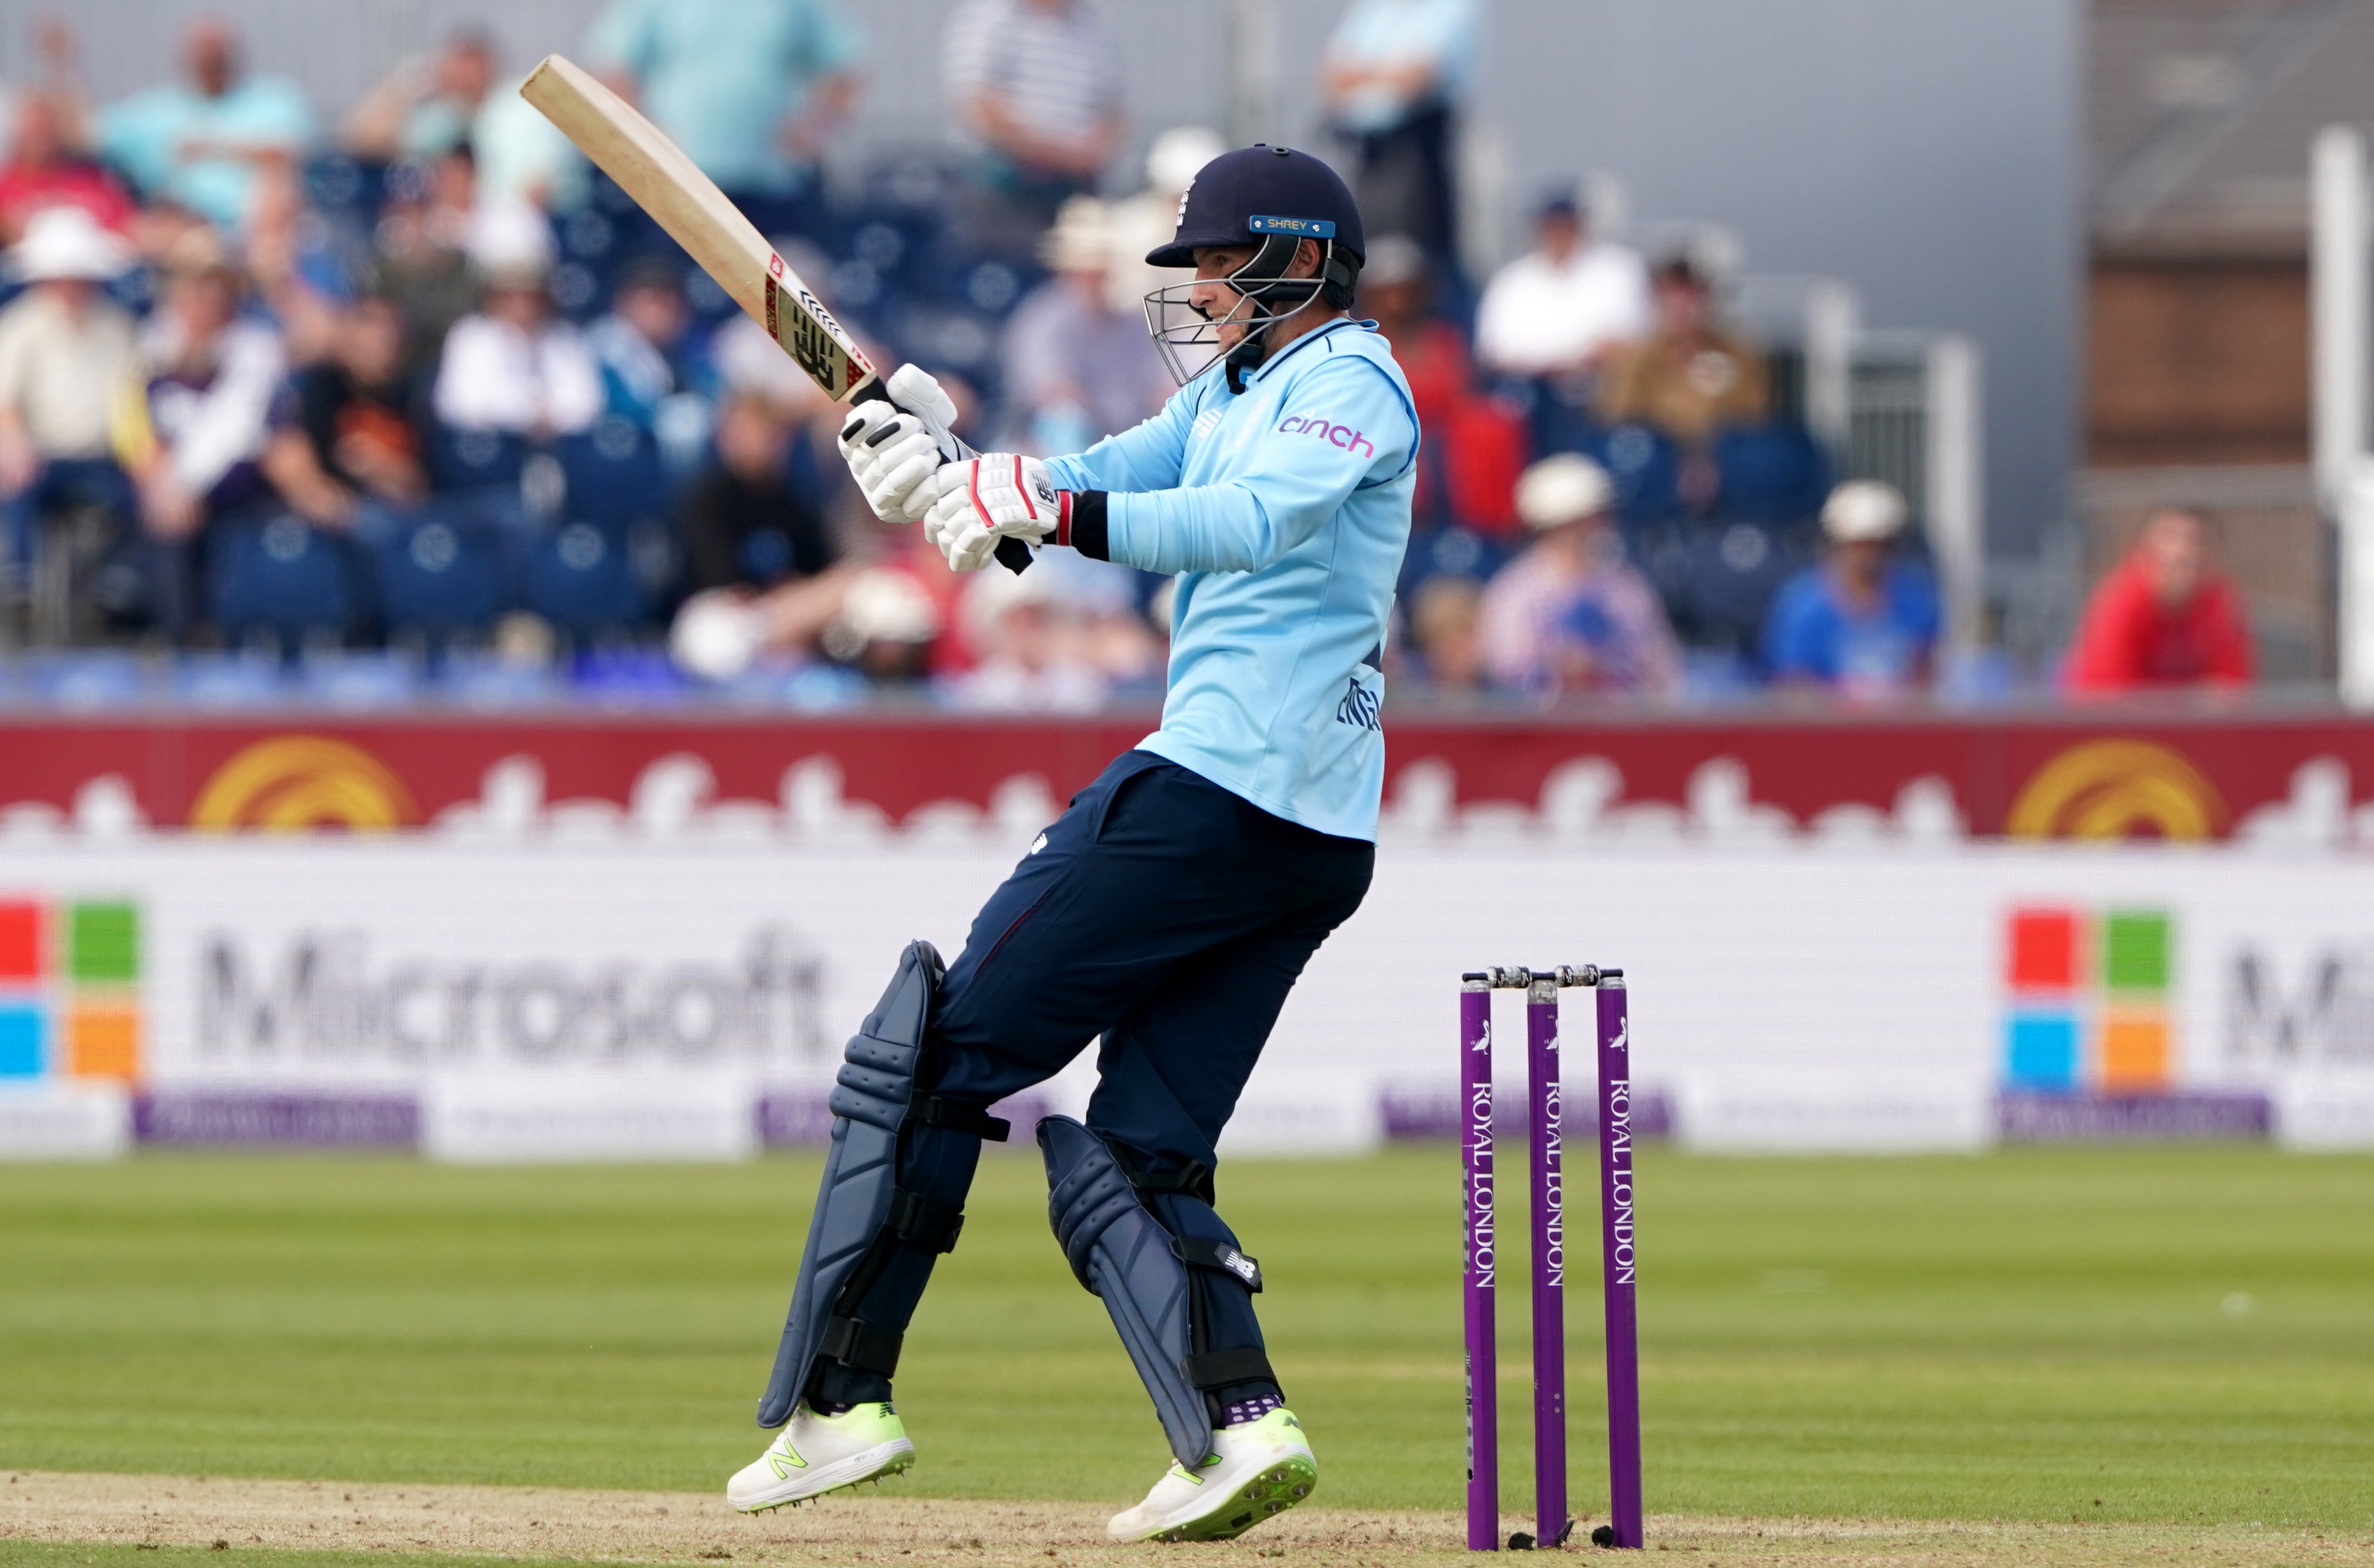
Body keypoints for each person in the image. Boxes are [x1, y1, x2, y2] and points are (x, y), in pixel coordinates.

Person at [728, 144, 1410, 1544]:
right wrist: (936, 462)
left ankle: (836, 1405)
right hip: (1304, 833)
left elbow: (1240, 524)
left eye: (1218, 264)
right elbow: (1085, 480)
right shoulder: (1233, 387)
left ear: (1295, 260)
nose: (1199, 291)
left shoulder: (1350, 383)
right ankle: (1234, 1428)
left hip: (1218, 793)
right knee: (1141, 1146)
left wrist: (1030, 506)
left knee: (930, 1056)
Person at [109, 229, 285, 636]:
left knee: (180, 511)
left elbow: (237, 427)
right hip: (168, 480)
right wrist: (157, 480)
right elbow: (131, 420)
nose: (204, 301)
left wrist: (180, 485)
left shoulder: (256, 347)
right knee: (164, 518)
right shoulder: (152, 344)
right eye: (194, 288)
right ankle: (175, 634)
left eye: (214, 288)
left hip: (238, 479)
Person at [586, 0, 863, 236]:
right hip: (679, 185)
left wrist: (811, 131)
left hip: (772, 184)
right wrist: (649, 138)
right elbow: (613, 68)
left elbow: (846, 67)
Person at [0, 208, 139, 609]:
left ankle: (121, 576)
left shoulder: (119, 327)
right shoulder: (19, 326)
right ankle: (19, 576)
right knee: (18, 486)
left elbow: (134, 398)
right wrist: (14, 443)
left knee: (139, 491)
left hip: (105, 456)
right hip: (41, 454)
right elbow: (6, 400)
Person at [1478, 454, 1679, 697]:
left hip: (1620, 725)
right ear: (1562, 522)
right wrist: (1561, 667)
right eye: (1591, 517)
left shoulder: (1625, 585)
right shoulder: (1515, 591)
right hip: (1544, 729)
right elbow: (1506, 673)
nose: (1602, 524)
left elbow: (1661, 671)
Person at [96, 17, 312, 233]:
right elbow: (85, 131)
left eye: (217, 56)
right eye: (203, 56)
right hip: (182, 224)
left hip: (257, 229)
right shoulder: (155, 110)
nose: (210, 63)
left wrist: (212, 147)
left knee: (276, 186)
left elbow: (289, 153)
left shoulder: (275, 99)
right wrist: (64, 65)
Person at [942, 0, 1124, 256]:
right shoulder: (989, 17)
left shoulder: (1091, 22)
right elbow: (977, 105)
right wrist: (1055, 151)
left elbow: (1114, 108)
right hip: (1005, 186)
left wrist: (1091, 149)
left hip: (1074, 186)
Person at [1318, 0, 1479, 285]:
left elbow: (1418, 79)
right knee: (1366, 259)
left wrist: (1364, 74)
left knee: (1420, 265)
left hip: (1418, 155)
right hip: (1366, 156)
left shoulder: (1452, 10)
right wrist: (1389, 74)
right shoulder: (1374, 9)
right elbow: (1331, 79)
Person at [342, 28, 584, 212]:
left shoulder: (522, 105)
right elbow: (362, 139)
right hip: (472, 226)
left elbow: (538, 190)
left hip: (529, 223)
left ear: (485, 65)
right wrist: (412, 82)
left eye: (464, 64)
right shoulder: (451, 116)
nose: (456, 74)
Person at [1001, 196, 1171, 454]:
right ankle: (1073, 490)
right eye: (1087, 270)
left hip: (1126, 434)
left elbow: (1158, 385)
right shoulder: (1042, 320)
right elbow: (1051, 392)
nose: (1095, 279)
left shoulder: (1133, 323)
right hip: (1052, 444)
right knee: (1064, 420)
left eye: (1100, 270)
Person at [259, 292, 431, 536]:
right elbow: (283, 456)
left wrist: (384, 468)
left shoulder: (408, 395)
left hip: (390, 516)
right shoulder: (317, 387)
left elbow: (419, 482)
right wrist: (316, 491)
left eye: (388, 342)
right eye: (370, 342)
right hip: (324, 520)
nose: (381, 349)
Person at [430, 212, 602, 442]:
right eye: (510, 296)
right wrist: (528, 417)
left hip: (558, 445)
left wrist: (548, 419)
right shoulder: (470, 336)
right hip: (492, 449)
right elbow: (458, 405)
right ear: (492, 297)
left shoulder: (564, 337)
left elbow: (587, 405)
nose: (521, 305)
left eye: (530, 296)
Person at [1761, 480, 1940, 697]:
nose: (1870, 556)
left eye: (1881, 545)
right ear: (1834, 544)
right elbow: (1793, 684)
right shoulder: (1803, 605)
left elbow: (1925, 675)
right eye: (1859, 545)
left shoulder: (1915, 600)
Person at [2063, 507, 2253, 693]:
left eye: (2199, 540)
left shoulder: (2222, 604)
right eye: (2171, 537)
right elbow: (2109, 692)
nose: (2184, 550)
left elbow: (2233, 688)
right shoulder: (2118, 602)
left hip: (2186, 719)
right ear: (2141, 550)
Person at [1473, 189, 1649, 387]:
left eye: (1565, 225)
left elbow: (1627, 341)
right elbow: (1495, 351)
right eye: (1552, 226)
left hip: (1598, 387)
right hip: (1527, 390)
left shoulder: (1617, 270)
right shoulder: (1512, 281)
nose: (1559, 233)